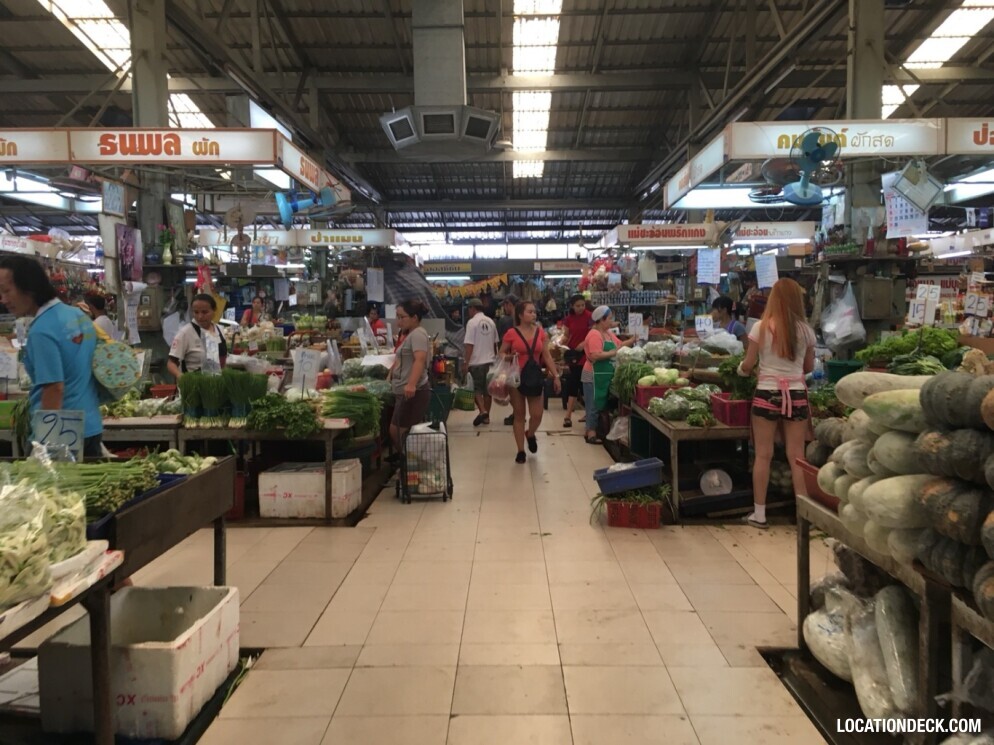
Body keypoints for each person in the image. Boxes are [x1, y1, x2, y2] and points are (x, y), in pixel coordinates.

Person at [0, 256, 103, 457]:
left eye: (6, 291)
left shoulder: (42, 331)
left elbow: (54, 388)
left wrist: (45, 446)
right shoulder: (78, 316)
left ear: (29, 288)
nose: (3, 300)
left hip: (62, 434)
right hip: (91, 424)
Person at [736, 278, 815, 529]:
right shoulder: (805, 330)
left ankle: (759, 515)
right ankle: (803, 516)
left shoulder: (761, 327)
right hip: (796, 395)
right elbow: (809, 368)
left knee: (763, 454)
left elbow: (748, 365)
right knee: (796, 456)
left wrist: (741, 370)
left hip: (767, 393)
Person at [499, 300, 561, 464]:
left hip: (534, 377)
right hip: (516, 378)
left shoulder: (541, 332)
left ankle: (531, 433)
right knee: (519, 416)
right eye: (530, 312)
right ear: (520, 315)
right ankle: (520, 451)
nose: (534, 314)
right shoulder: (511, 333)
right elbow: (501, 353)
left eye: (534, 312)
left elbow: (546, 355)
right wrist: (508, 357)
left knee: (537, 415)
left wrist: (556, 375)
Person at [581, 305, 635, 445]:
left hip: (604, 375)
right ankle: (590, 433)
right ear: (601, 319)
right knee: (592, 404)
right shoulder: (594, 334)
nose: (612, 321)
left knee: (599, 404)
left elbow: (620, 344)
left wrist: (631, 341)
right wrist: (613, 353)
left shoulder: (608, 333)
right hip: (593, 374)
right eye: (609, 318)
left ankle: (593, 430)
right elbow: (595, 355)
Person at [388, 299, 432, 461]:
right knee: (403, 430)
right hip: (407, 391)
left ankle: (413, 463)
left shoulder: (418, 334)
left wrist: (411, 384)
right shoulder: (410, 334)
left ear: (414, 317)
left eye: (402, 317)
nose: (399, 321)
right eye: (397, 317)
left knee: (396, 430)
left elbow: (419, 359)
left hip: (415, 392)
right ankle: (413, 464)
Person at [167, 294, 228, 379]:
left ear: (214, 311)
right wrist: (179, 375)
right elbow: (171, 363)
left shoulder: (219, 330)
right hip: (194, 384)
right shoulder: (185, 333)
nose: (200, 316)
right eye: (196, 312)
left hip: (218, 383)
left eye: (204, 312)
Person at [463, 298, 498, 426]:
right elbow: (495, 344)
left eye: (469, 309)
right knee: (488, 391)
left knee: (476, 389)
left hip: (476, 362)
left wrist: (466, 362)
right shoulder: (491, 322)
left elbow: (469, 345)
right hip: (490, 361)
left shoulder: (471, 323)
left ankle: (482, 411)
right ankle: (486, 417)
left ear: (472, 308)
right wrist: (495, 360)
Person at [561, 294, 591, 428]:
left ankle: (574, 415)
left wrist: (584, 343)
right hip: (573, 355)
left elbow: (594, 333)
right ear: (572, 306)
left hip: (587, 355)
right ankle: (570, 415)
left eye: (582, 305)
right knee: (574, 383)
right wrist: (561, 342)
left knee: (584, 383)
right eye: (578, 306)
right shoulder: (568, 319)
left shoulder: (590, 316)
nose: (580, 308)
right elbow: (566, 335)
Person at [496, 294, 519, 426]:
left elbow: (503, 342)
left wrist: (502, 357)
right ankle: (517, 413)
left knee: (510, 388)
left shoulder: (505, 320)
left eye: (505, 305)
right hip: (520, 358)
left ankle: (517, 413)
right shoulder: (522, 319)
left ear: (509, 304)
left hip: (510, 358)